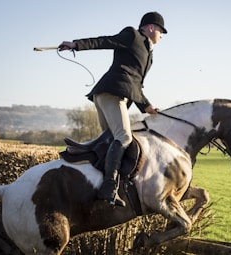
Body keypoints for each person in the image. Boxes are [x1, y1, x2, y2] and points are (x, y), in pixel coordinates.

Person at [59, 12, 167, 207]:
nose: (161, 35)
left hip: (112, 94)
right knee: (124, 138)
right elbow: (104, 41)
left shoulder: (148, 53)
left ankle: (91, 181)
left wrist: (146, 106)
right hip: (112, 93)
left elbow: (136, 84)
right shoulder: (132, 35)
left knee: (110, 139)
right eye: (161, 31)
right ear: (151, 27)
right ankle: (109, 188)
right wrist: (76, 44)